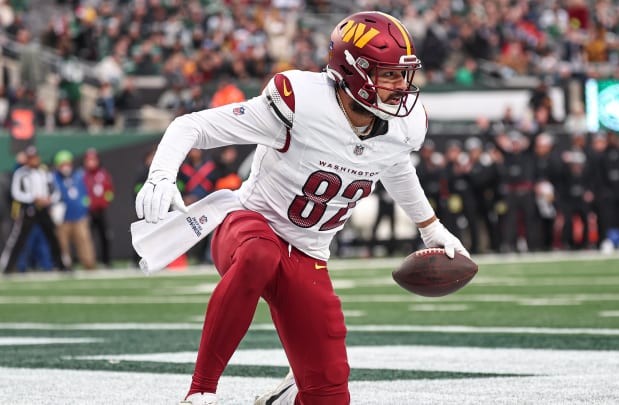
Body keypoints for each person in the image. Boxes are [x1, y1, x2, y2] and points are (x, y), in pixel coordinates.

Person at [133, 11, 468, 405]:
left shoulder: (405, 124)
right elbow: (193, 126)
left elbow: (394, 166)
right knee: (260, 254)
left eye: (403, 74)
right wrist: (161, 175)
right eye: (389, 74)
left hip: (308, 252)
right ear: (355, 73)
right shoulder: (300, 103)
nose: (401, 86)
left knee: (328, 394)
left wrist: (431, 228)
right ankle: (201, 391)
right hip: (247, 226)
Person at [0, 146, 68, 273]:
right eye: (30, 158)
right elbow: (16, 193)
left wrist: (49, 199)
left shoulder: (45, 172)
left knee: (53, 237)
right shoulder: (21, 173)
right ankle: (7, 267)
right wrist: (33, 198)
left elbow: (55, 191)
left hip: (43, 209)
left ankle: (61, 265)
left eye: (35, 157)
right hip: (28, 209)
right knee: (18, 239)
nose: (33, 160)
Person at [53, 150, 96, 270]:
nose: (65, 167)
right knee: (62, 245)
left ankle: (89, 265)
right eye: (62, 164)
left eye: (67, 164)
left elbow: (85, 194)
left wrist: (84, 208)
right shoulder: (53, 178)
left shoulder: (78, 176)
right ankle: (65, 266)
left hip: (79, 217)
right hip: (62, 219)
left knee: (84, 242)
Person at [83, 148, 115, 267]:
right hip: (89, 212)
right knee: (87, 238)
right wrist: (86, 204)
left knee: (105, 236)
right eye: (89, 160)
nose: (91, 162)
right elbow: (82, 193)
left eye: (93, 160)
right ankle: (90, 262)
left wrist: (105, 201)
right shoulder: (83, 175)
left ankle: (106, 261)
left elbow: (109, 190)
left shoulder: (103, 174)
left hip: (101, 210)